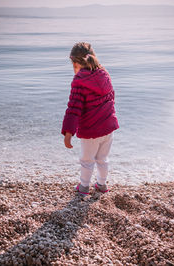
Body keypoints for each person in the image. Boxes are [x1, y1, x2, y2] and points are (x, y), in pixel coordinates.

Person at [61, 42, 119, 195]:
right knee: (103, 159)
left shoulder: (79, 81)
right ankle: (101, 185)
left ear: (75, 63)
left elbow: (74, 108)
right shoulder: (104, 73)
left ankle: (84, 187)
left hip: (91, 131)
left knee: (87, 161)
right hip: (108, 128)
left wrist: (68, 132)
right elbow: (111, 98)